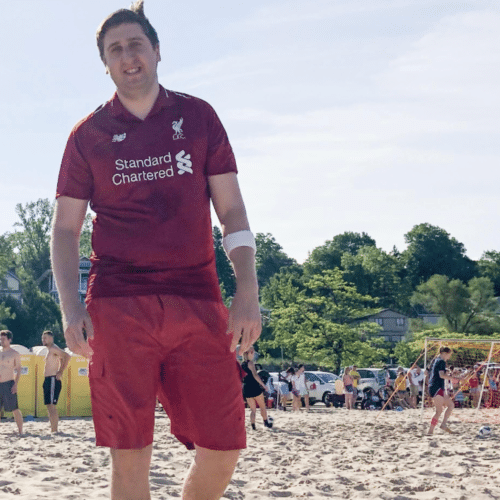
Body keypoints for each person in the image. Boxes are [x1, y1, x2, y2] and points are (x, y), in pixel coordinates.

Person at [50, 2, 261, 499]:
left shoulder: (198, 116)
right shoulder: (88, 135)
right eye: (115, 50)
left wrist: (247, 290)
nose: (128, 57)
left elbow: (231, 212)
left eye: (136, 44)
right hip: (119, 304)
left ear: (158, 51)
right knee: (129, 458)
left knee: (224, 444)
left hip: (198, 297)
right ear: (105, 63)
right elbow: (64, 230)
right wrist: (71, 306)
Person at [427, 347, 464, 435]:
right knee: (438, 411)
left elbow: (431, 373)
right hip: (436, 388)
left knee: (451, 405)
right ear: (444, 353)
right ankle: (430, 431)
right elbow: (441, 375)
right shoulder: (441, 361)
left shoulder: (436, 360)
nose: (450, 357)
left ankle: (443, 424)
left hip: (437, 387)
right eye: (450, 354)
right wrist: (455, 378)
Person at [41, 330, 71, 433]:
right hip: (48, 379)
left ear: (51, 338)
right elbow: (62, 359)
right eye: (42, 338)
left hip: (53, 379)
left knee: (52, 406)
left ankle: (55, 430)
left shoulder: (54, 348)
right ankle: (53, 429)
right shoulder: (50, 349)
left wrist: (60, 371)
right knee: (49, 405)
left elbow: (67, 356)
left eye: (45, 338)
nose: (43, 340)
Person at [241, 347, 273, 430]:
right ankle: (266, 422)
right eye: (253, 352)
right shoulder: (250, 363)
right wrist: (263, 385)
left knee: (253, 410)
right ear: (250, 353)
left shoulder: (242, 364)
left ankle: (253, 426)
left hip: (246, 388)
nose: (254, 354)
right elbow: (255, 375)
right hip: (254, 387)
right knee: (262, 406)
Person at [0, 330, 23, 435]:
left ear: (9, 340)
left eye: (4, 339)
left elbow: (18, 369)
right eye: (0, 339)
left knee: (14, 408)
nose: (1, 341)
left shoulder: (14, 354)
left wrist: (15, 384)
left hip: (8, 383)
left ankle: (20, 431)